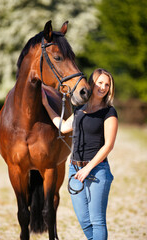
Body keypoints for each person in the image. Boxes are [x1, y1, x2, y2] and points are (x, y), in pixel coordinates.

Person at [42, 68, 118, 240]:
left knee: (97, 221)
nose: (103, 87)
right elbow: (62, 126)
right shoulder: (79, 110)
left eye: (107, 84)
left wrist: (88, 169)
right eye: (100, 82)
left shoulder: (109, 112)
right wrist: (46, 105)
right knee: (84, 221)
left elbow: (108, 145)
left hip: (97, 171)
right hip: (75, 170)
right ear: (92, 83)